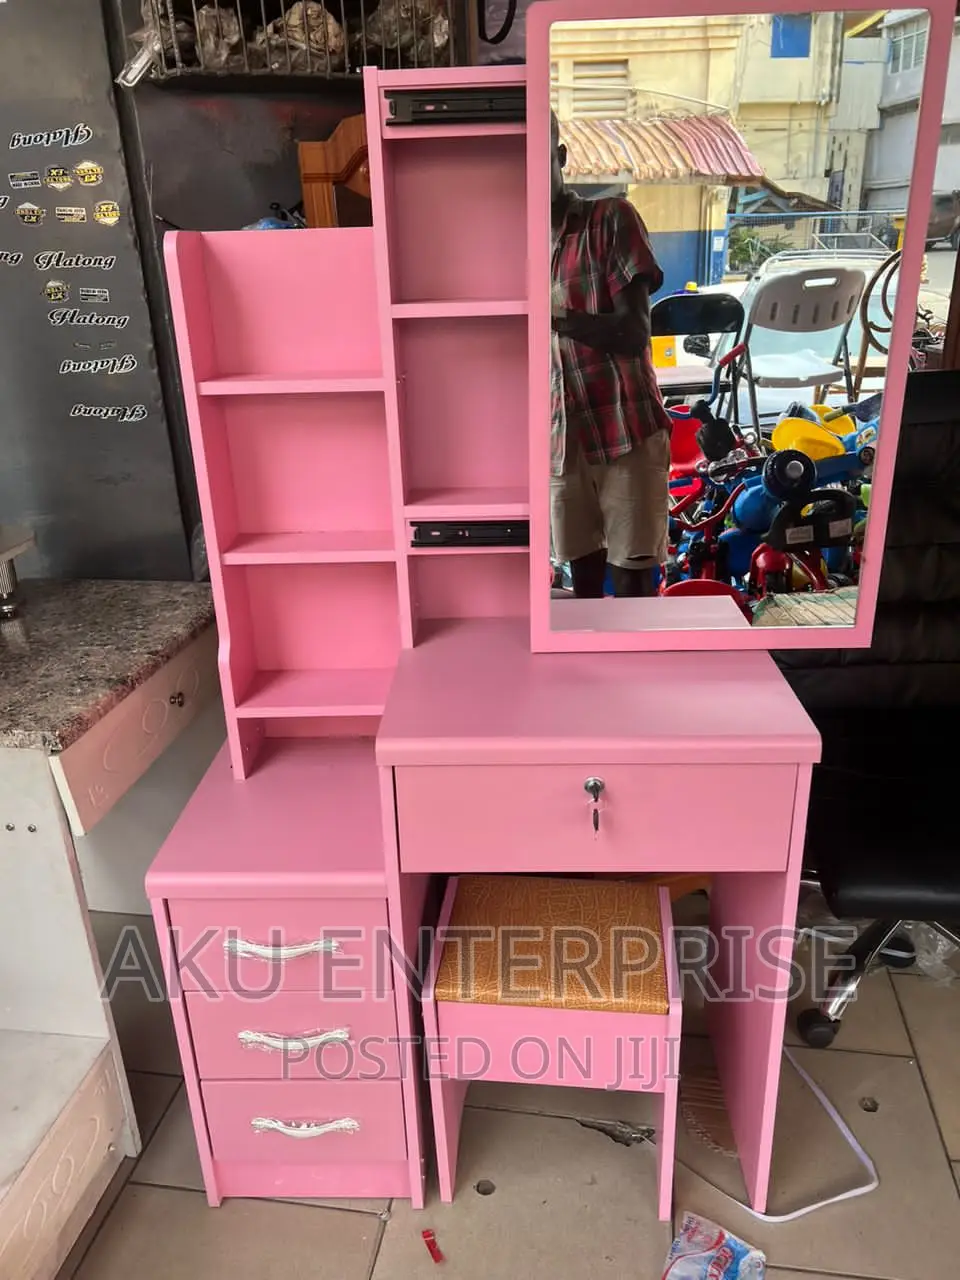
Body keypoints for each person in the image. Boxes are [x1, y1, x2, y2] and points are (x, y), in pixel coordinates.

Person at [550, 111, 672, 599]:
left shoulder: (610, 220)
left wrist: (554, 317)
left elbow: (634, 332)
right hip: (560, 439)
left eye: (533, 158)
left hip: (626, 428)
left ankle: (638, 675)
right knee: (582, 580)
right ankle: (593, 675)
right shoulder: (512, 247)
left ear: (559, 159)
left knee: (632, 579)